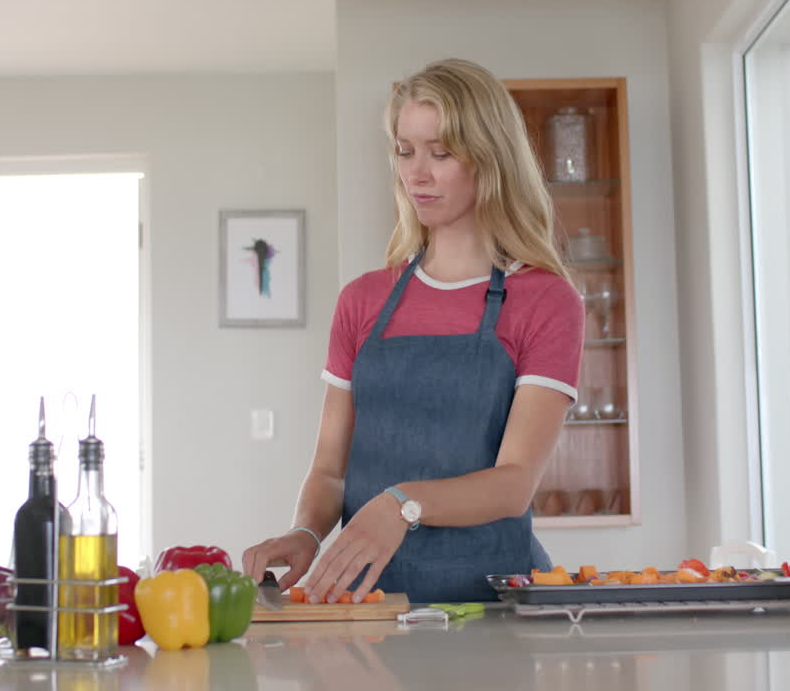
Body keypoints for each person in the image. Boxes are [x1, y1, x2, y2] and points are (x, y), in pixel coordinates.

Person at [242, 58, 584, 603]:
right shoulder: (363, 301)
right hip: (364, 605)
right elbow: (331, 471)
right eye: (405, 151)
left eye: (441, 152)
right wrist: (306, 532)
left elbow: (515, 481)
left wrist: (401, 504)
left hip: (492, 608)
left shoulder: (545, 301)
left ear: (490, 158)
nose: (417, 173)